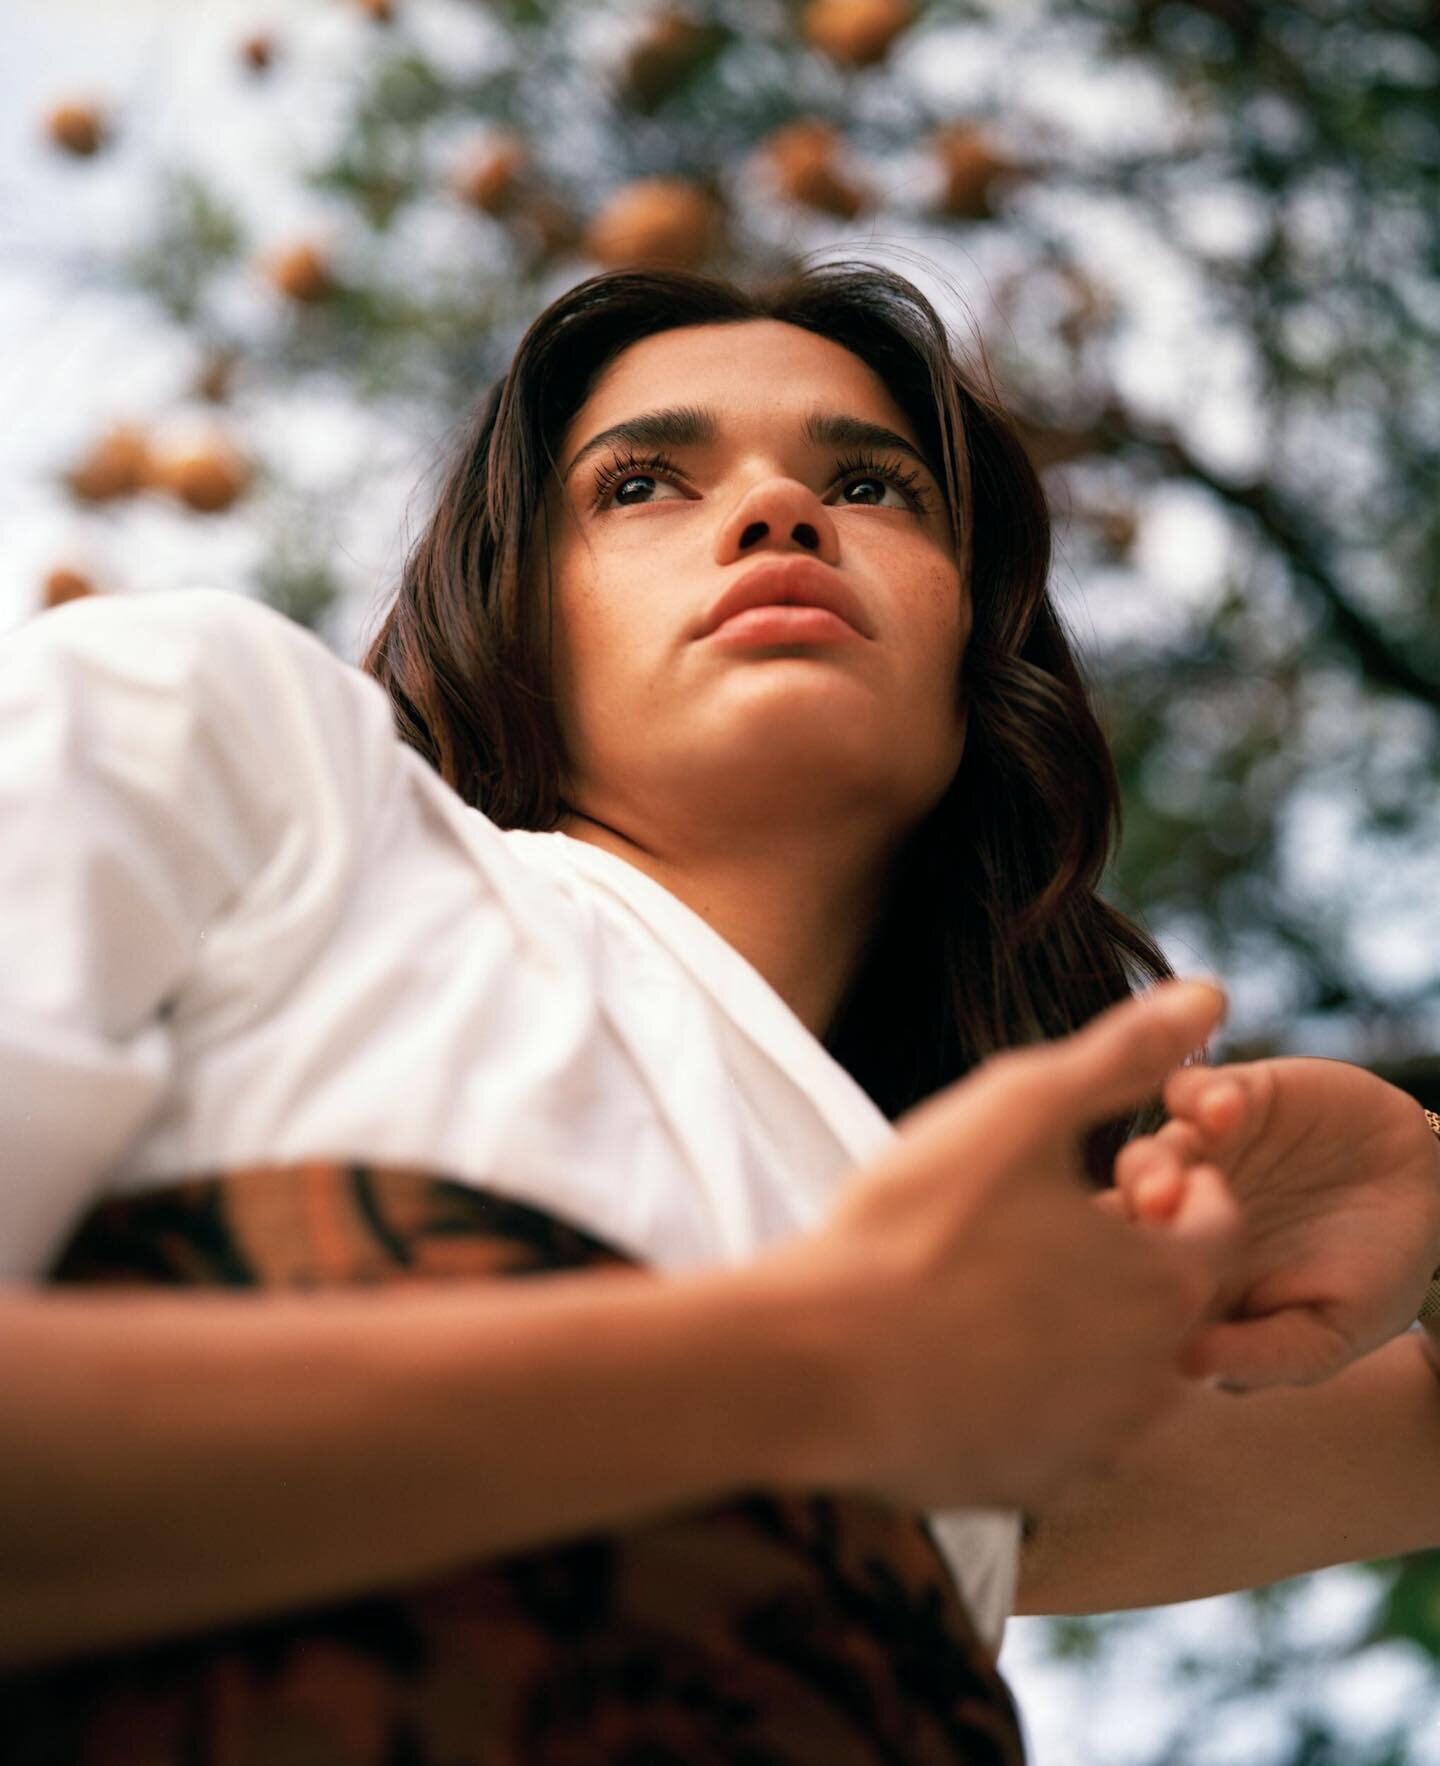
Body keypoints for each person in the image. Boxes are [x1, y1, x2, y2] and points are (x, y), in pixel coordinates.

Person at [0, 261, 1436, 1763]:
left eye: (872, 484)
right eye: (642, 484)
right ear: (516, 598)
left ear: (977, 645)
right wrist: (819, 1366)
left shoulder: (980, 1355)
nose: (778, 513)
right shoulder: (245, 751)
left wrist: (1431, 1204)